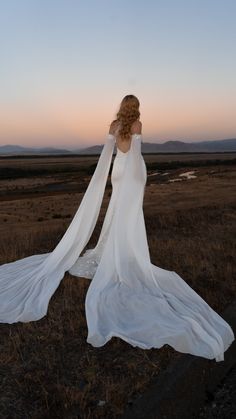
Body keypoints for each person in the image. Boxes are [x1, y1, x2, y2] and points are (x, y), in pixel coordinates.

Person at [0, 94, 234, 362]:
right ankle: (126, 251)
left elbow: (107, 155)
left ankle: (115, 248)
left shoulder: (113, 125)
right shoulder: (138, 125)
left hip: (117, 171)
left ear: (122, 107)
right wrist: (139, 181)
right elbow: (135, 154)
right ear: (136, 108)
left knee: (116, 210)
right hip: (133, 172)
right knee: (129, 213)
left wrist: (110, 177)